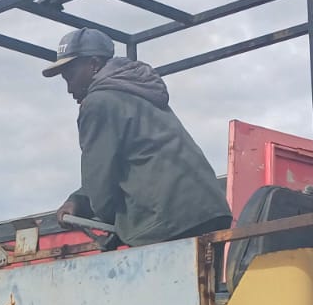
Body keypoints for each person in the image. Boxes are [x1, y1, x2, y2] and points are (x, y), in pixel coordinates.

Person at [44, 27, 232, 249]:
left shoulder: (98, 102)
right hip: (210, 211)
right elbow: (137, 158)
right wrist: (79, 200)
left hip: (167, 221)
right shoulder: (137, 91)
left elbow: (100, 181)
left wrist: (107, 219)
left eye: (71, 76)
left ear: (93, 64)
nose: (69, 88)